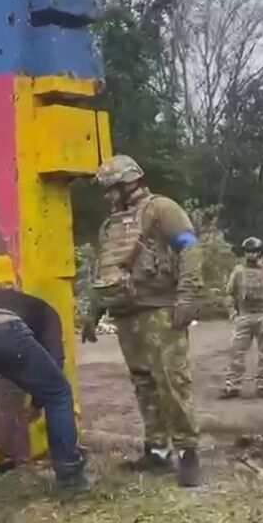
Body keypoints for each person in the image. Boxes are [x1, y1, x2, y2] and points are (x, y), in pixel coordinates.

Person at [80, 155, 203, 488]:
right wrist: (94, 312)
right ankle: (158, 452)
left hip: (160, 310)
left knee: (172, 383)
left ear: (128, 183)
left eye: (111, 189)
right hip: (126, 312)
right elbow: (106, 270)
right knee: (144, 384)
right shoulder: (112, 224)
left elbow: (190, 249)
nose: (107, 197)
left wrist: (188, 295)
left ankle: (188, 453)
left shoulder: (162, 209)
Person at [0, 288, 90, 517]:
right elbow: (55, 360)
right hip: (4, 332)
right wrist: (37, 404)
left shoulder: (0, 300)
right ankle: (71, 478)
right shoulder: (48, 313)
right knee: (59, 392)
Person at [221, 237, 263, 399]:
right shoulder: (238, 271)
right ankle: (233, 386)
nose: (251, 255)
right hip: (244, 315)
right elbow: (229, 293)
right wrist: (232, 313)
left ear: (260, 252)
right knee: (236, 352)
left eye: (254, 252)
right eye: (248, 252)